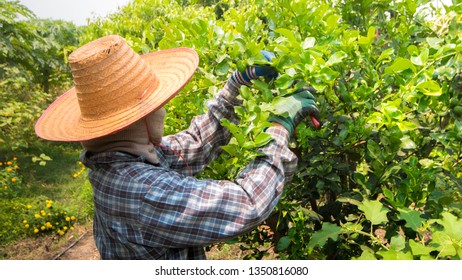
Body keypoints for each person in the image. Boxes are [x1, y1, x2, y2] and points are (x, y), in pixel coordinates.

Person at [35, 35, 320, 260]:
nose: (164, 109)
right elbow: (247, 204)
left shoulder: (120, 161)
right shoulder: (143, 192)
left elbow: (195, 142)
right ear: (142, 118)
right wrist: (280, 126)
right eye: (160, 103)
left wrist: (237, 83)